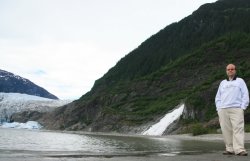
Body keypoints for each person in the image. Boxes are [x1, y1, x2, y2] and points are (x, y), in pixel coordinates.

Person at [215, 64, 249, 156]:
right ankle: (229, 149)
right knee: (226, 130)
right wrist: (219, 109)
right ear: (226, 71)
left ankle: (239, 149)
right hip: (223, 109)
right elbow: (218, 97)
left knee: (238, 128)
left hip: (236, 108)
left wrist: (242, 107)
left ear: (235, 70)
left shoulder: (240, 81)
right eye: (228, 69)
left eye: (232, 69)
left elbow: (245, 94)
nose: (230, 70)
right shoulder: (223, 83)